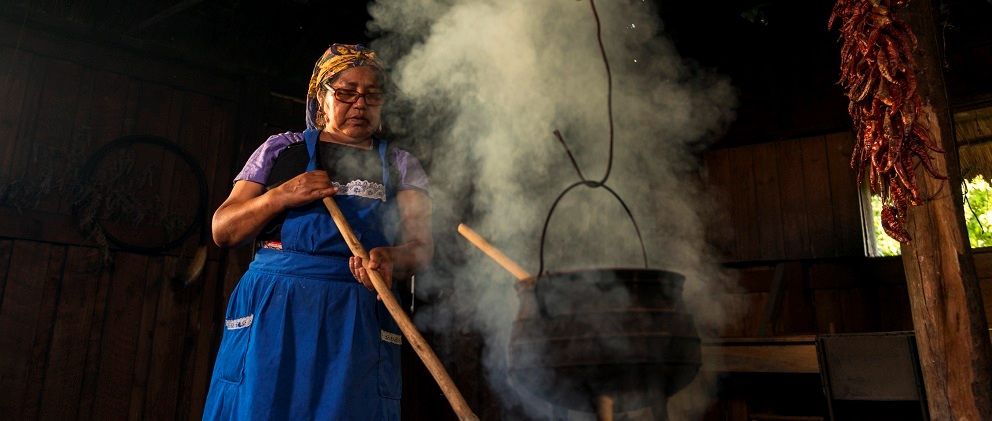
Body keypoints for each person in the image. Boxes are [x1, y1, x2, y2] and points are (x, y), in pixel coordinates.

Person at [202, 43, 433, 420]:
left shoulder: (399, 164)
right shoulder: (280, 151)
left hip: (356, 310)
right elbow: (223, 230)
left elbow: (422, 248)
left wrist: (392, 257)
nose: (360, 103)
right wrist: (281, 195)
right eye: (346, 92)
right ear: (320, 98)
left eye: (372, 95)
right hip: (276, 307)